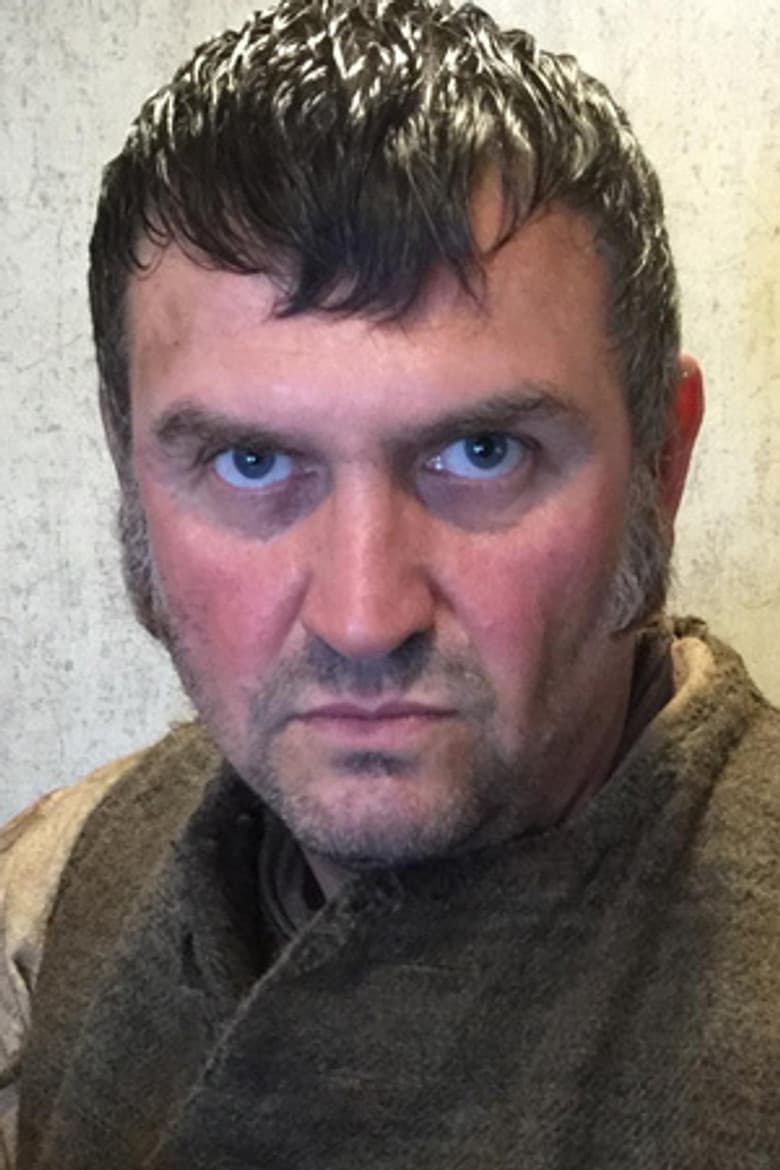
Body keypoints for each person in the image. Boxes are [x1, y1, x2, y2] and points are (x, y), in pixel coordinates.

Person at [2, 0, 778, 1165]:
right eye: (251, 462)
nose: (364, 619)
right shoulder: (48, 894)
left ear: (660, 464)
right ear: (131, 476)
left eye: (483, 453)